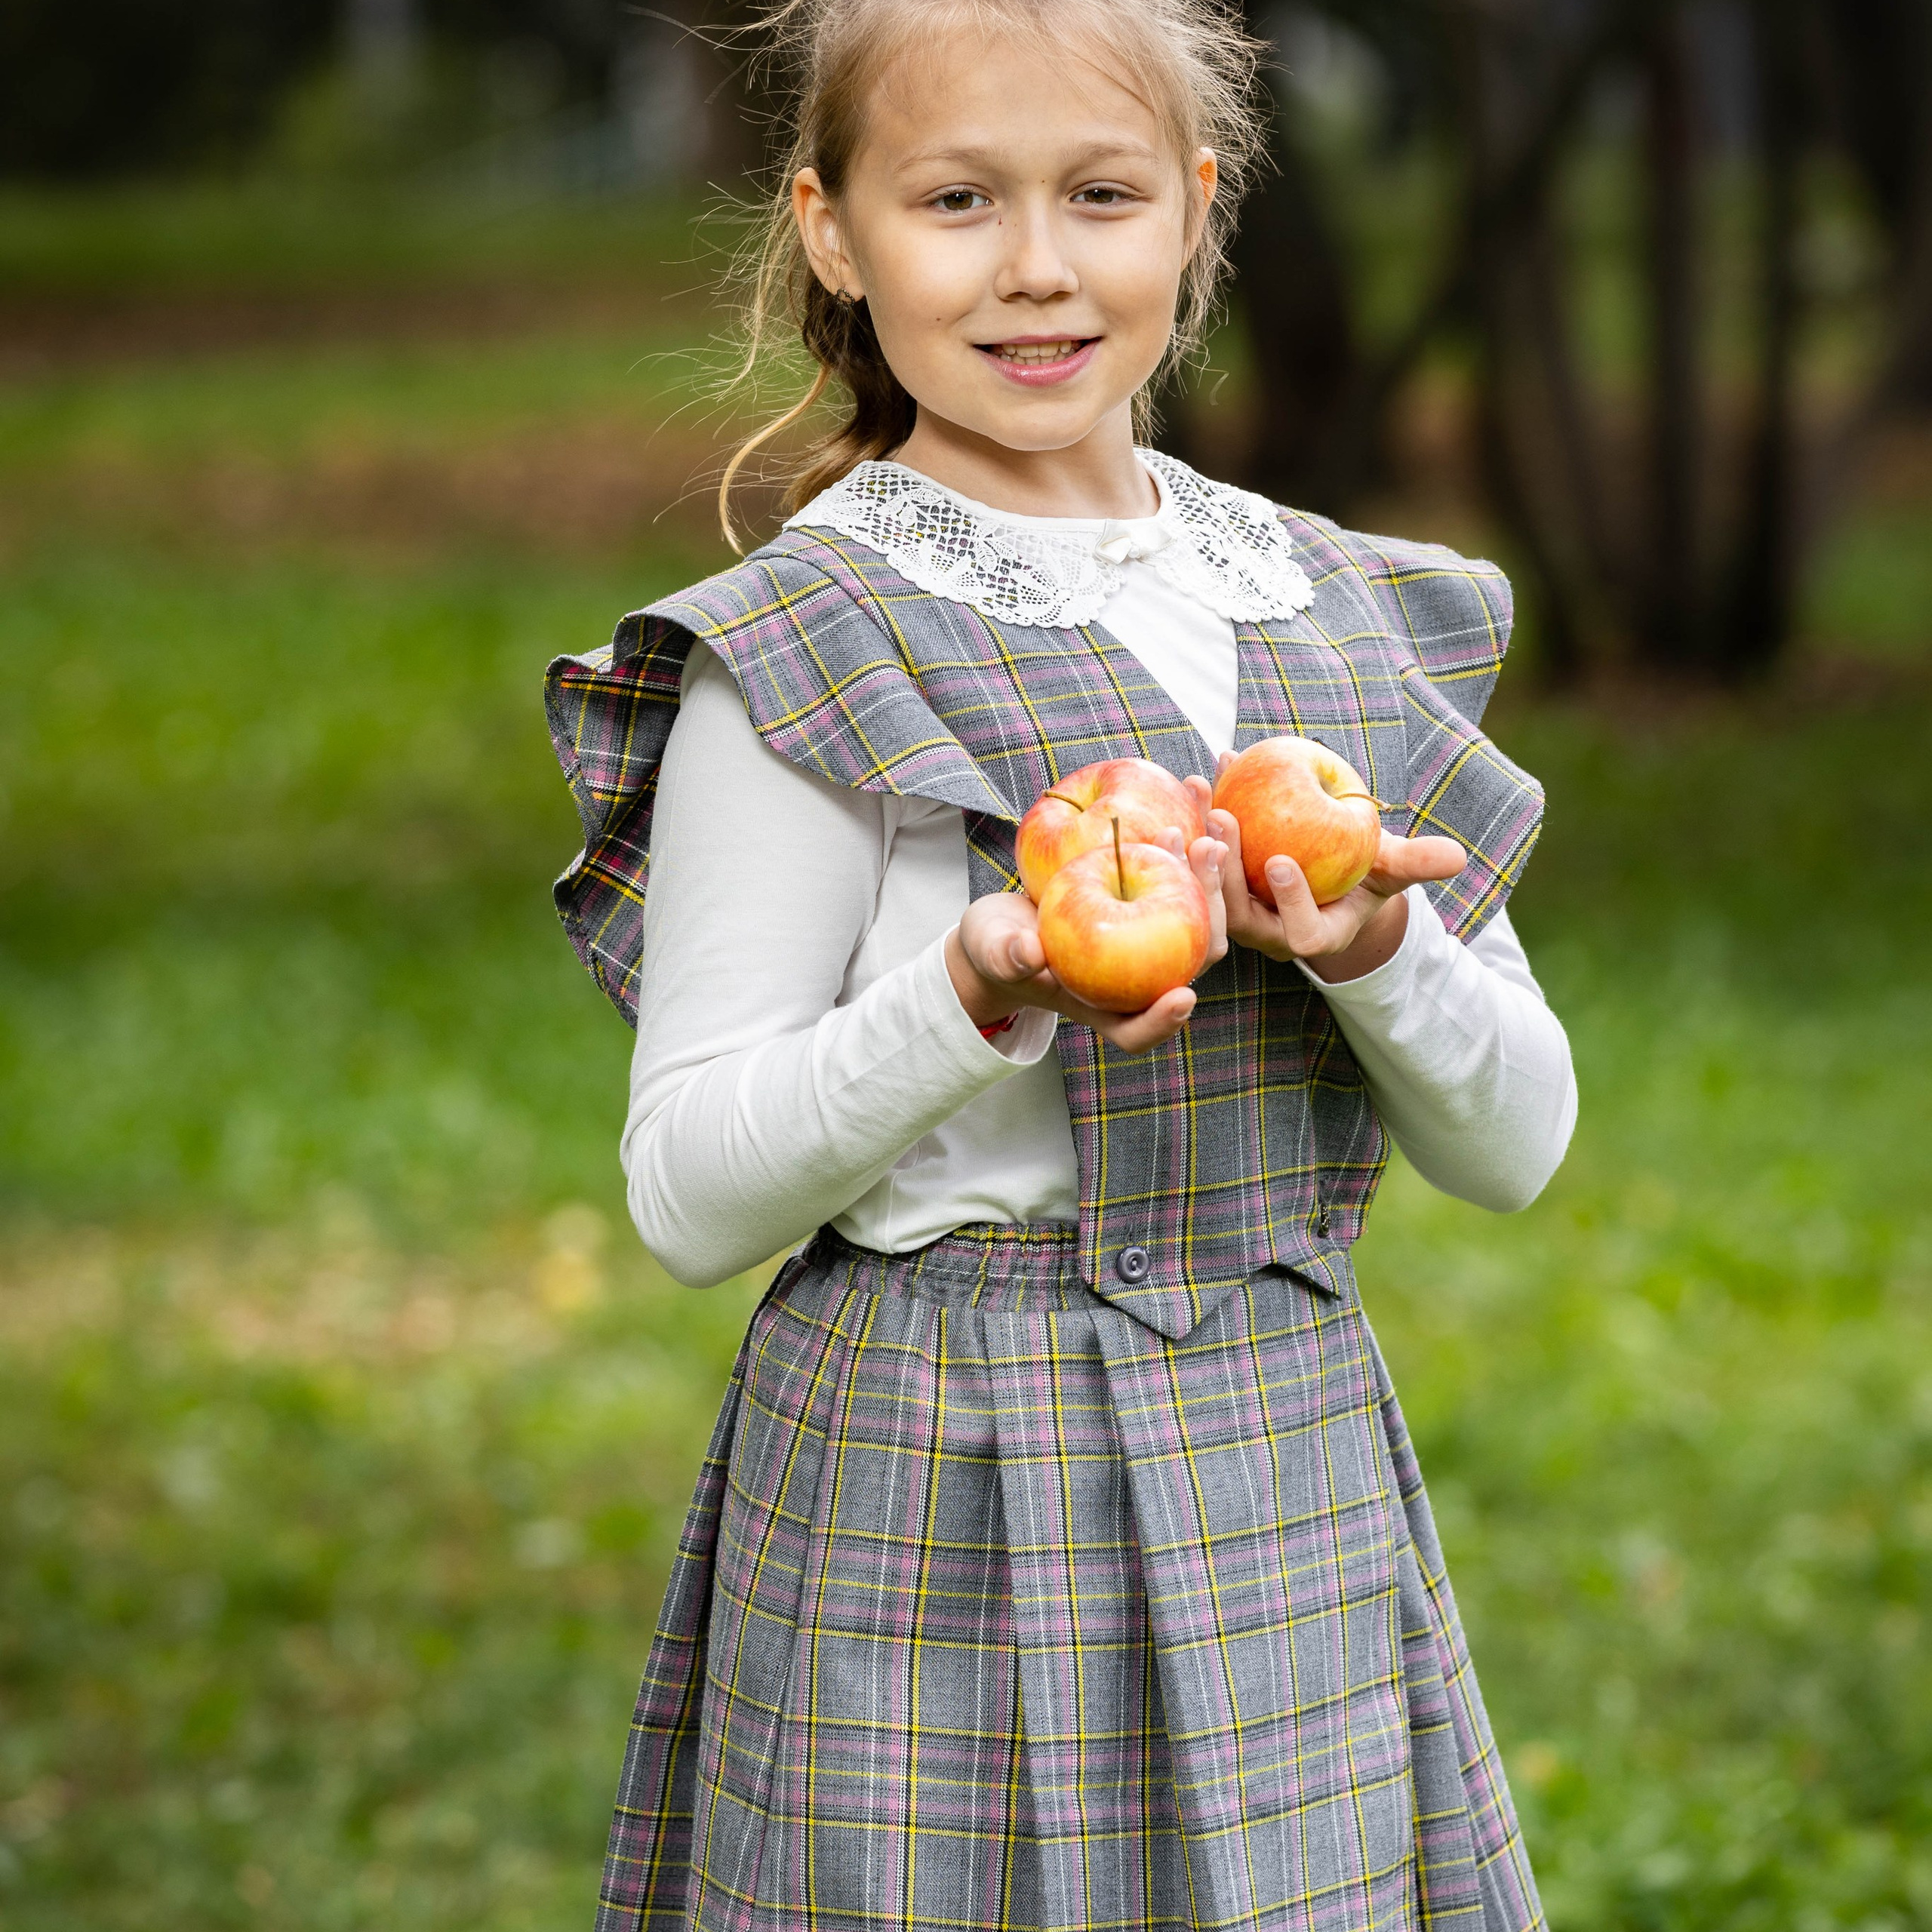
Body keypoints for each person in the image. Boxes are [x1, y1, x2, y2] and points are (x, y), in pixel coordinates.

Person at [544, 2, 1577, 1926]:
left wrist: (1373, 946)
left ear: (1194, 209)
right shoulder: (806, 654)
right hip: (930, 1477)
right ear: (833, 230)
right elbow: (688, 1192)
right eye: (956, 200)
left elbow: (1513, 1144)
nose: (1035, 265)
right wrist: (974, 987)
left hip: (1281, 1456)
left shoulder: (1329, 609)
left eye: (1099, 195)